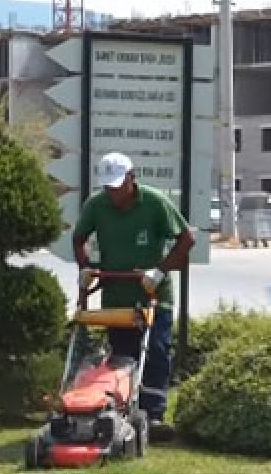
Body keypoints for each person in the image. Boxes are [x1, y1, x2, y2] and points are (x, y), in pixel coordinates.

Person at [72, 152, 195, 432]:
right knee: (122, 356)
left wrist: (161, 270)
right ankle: (121, 408)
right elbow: (79, 239)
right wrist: (86, 267)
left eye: (119, 186)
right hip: (116, 296)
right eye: (109, 188)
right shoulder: (96, 206)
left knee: (155, 351)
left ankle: (154, 415)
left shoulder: (154, 203)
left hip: (153, 295)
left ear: (132, 177)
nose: (114, 193)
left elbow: (187, 238)